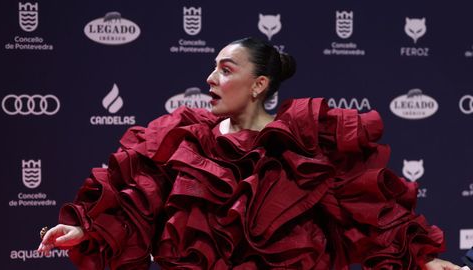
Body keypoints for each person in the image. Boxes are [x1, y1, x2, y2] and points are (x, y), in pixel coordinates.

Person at [38, 37, 460, 269]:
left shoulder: (306, 143)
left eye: (225, 69)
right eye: (212, 67)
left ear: (259, 85)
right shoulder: (182, 138)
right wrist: (87, 229)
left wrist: (425, 260)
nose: (210, 78)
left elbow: (369, 215)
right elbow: (136, 203)